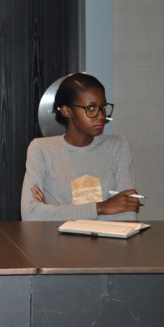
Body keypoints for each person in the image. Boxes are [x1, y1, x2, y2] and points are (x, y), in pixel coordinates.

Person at [21, 73, 140, 221]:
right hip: (57, 243)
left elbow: (127, 215)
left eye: (102, 107)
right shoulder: (41, 149)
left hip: (108, 243)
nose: (101, 116)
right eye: (91, 108)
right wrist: (102, 207)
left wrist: (52, 212)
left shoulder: (118, 146)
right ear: (67, 111)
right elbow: (30, 214)